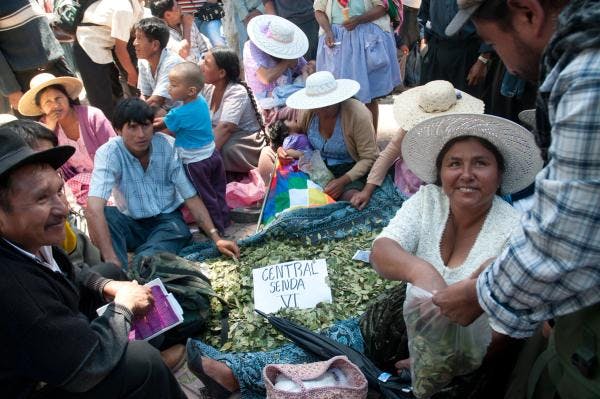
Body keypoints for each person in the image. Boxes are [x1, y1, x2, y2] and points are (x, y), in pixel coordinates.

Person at [184, 113, 543, 398]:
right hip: (410, 315)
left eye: (480, 163)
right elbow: (382, 250)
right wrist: (422, 273)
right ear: (441, 171)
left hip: (471, 352)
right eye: (455, 163)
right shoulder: (430, 200)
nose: (466, 174)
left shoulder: (514, 232)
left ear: (499, 174)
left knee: (389, 384)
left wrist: (438, 361)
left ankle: (257, 381)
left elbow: (507, 331)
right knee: (346, 337)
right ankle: (243, 374)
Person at [429, 1, 600, 397]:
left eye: (493, 42)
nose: (503, 62)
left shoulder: (588, 76)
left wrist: (480, 294)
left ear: (528, 14)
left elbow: (561, 243)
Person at [0, 125, 185, 398]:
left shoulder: (32, 242)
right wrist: (123, 306)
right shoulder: (16, 289)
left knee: (109, 273)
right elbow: (87, 364)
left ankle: (153, 359)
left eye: (59, 191)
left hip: (51, 344)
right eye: (41, 198)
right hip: (37, 384)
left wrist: (111, 286)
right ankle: (149, 370)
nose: (62, 209)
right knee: (140, 363)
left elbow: (70, 272)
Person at [86, 98, 239, 269]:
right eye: (132, 127)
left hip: (167, 222)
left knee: (160, 248)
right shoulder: (109, 153)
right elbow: (93, 207)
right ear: (118, 130)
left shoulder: (168, 146)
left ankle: (144, 259)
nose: (141, 134)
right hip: (130, 223)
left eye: (145, 125)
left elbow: (191, 197)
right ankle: (119, 271)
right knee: (106, 216)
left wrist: (216, 238)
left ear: (153, 125)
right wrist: (110, 259)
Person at [350, 80, 484, 209]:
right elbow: (388, 154)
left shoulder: (463, 132)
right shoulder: (410, 128)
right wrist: (368, 189)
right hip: (409, 180)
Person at [17, 73, 116, 207]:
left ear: (67, 98)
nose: (56, 105)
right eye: (48, 102)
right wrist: (49, 130)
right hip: (77, 188)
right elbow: (42, 164)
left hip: (109, 178)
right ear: (41, 108)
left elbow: (115, 153)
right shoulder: (41, 130)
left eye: (59, 98)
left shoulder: (92, 116)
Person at [282, 71, 379, 200]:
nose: (321, 109)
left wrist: (342, 181)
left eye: (326, 105)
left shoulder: (357, 114)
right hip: (316, 169)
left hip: (350, 171)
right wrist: (282, 149)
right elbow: (296, 135)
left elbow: (369, 157)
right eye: (316, 105)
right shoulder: (308, 113)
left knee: (351, 198)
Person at [160, 62, 229, 234]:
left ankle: (215, 230)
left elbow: (157, 126)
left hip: (195, 162)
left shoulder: (178, 114)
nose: (169, 88)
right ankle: (224, 221)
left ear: (190, 91)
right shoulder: (201, 101)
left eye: (174, 85)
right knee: (218, 190)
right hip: (213, 155)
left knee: (204, 197)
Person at [314, 0, 402, 131]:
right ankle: (343, 143)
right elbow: (319, 11)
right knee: (337, 98)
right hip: (336, 43)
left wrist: (359, 20)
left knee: (369, 97)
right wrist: (328, 31)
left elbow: (382, 7)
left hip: (364, 42)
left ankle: (371, 143)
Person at [200, 47, 275, 184]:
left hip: (246, 141)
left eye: (207, 64)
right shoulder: (209, 88)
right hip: (222, 136)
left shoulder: (236, 92)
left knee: (224, 150)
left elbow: (226, 128)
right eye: (203, 60)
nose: (201, 66)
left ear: (221, 73)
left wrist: (202, 157)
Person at [74, 0, 144, 120]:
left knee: (116, 94)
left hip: (106, 48)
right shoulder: (124, 8)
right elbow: (120, 50)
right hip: (88, 47)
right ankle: (110, 134)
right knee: (102, 102)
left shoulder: (137, 5)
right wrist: (132, 74)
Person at [0, 0, 73, 114]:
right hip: (25, 81)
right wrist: (12, 89)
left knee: (75, 118)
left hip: (57, 68)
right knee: (40, 130)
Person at [243, 14, 314, 121]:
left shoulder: (289, 46)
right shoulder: (251, 47)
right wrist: (287, 61)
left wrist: (309, 68)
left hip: (285, 93)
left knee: (309, 83)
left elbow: (305, 66)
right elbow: (265, 78)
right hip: (264, 99)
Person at [417, 0, 492, 99]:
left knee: (464, 104)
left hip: (466, 54)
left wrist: (482, 60)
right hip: (435, 51)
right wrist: (423, 40)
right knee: (432, 100)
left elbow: (491, 20)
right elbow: (423, 13)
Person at [134, 17, 185, 111]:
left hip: (181, 115)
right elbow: (146, 94)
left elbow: (157, 100)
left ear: (155, 45)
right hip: (164, 111)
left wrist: (135, 112)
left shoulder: (172, 62)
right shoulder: (143, 60)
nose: (134, 43)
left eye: (139, 38)